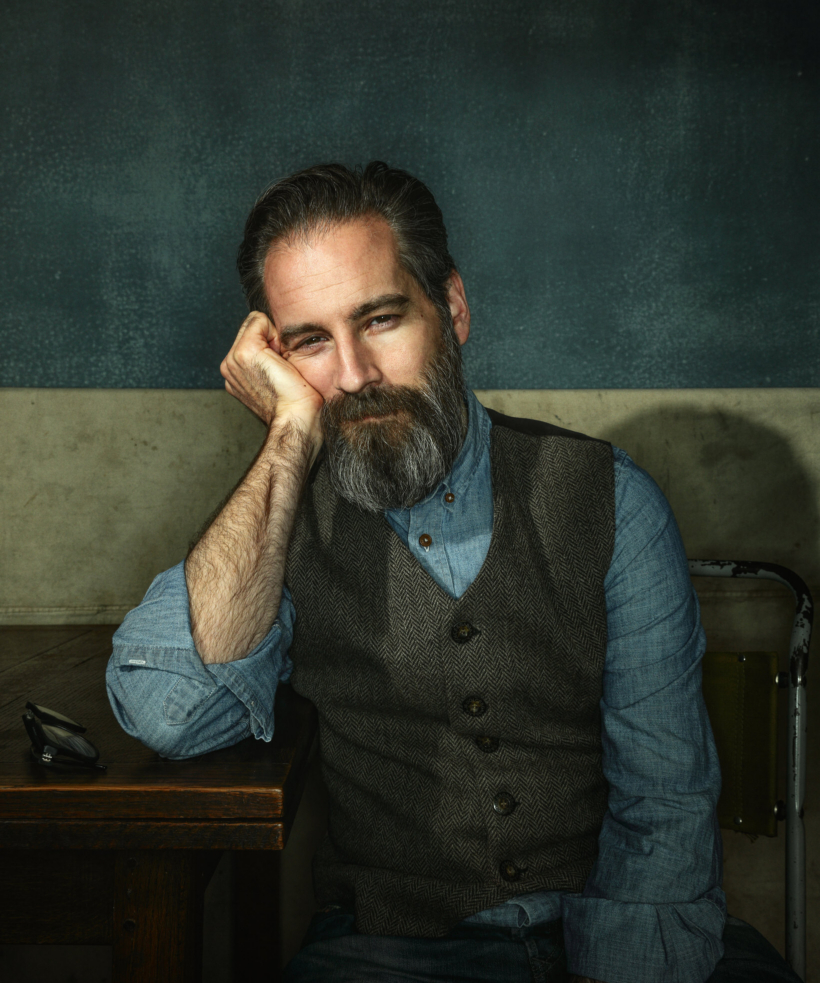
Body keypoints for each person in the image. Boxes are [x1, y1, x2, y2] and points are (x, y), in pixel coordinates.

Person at [106, 162, 800, 983]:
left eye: (381, 318)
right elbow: (167, 714)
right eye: (311, 342)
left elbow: (665, 800)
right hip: (390, 951)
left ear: (454, 309)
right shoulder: (276, 528)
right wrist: (291, 436)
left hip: (624, 928)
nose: (356, 374)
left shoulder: (612, 502)